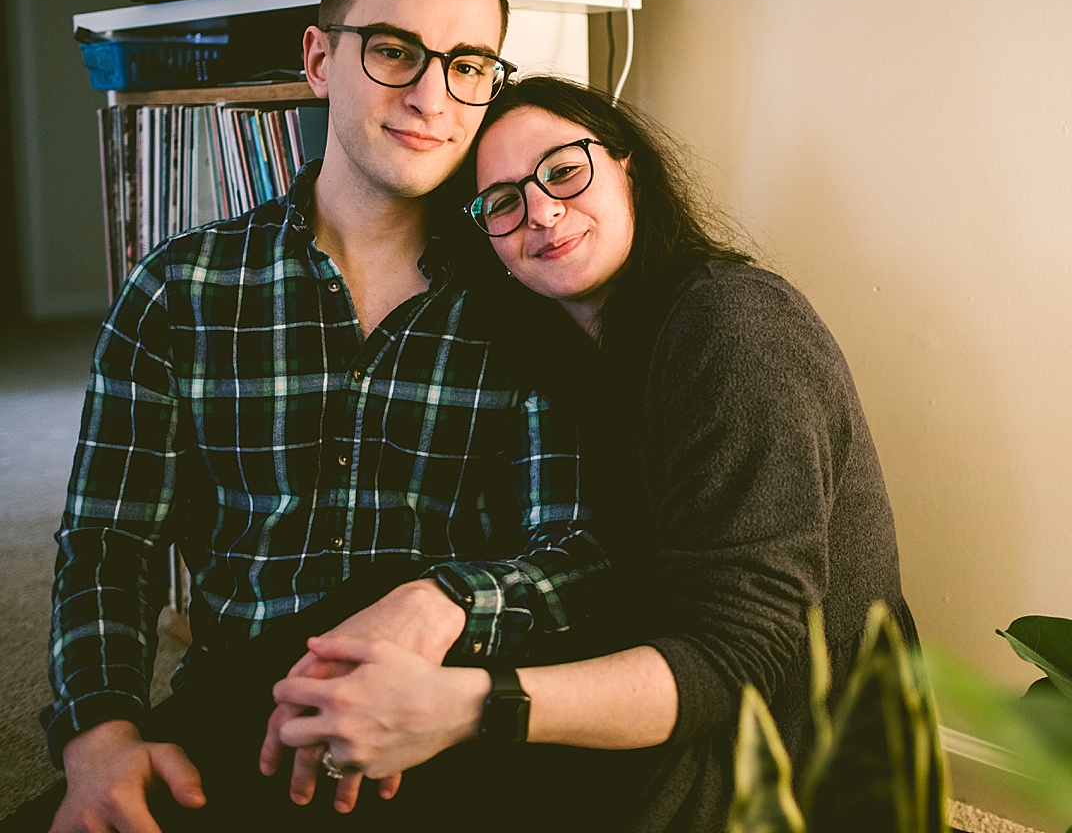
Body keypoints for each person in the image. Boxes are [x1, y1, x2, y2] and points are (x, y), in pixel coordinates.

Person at [22, 0, 611, 833]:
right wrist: (98, 728)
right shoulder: (180, 287)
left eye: (466, 65)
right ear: (319, 59)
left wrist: (442, 602)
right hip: (238, 699)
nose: (430, 95)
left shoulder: (526, 293)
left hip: (442, 712)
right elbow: (109, 541)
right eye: (393, 52)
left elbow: (575, 548)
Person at [269, 76, 917, 832]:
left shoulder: (734, 328)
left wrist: (475, 706)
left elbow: (744, 659)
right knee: (365, 631)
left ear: (628, 165)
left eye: (565, 171)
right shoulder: (568, 352)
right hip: (648, 682)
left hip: (776, 759)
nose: (540, 211)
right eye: (503, 202)